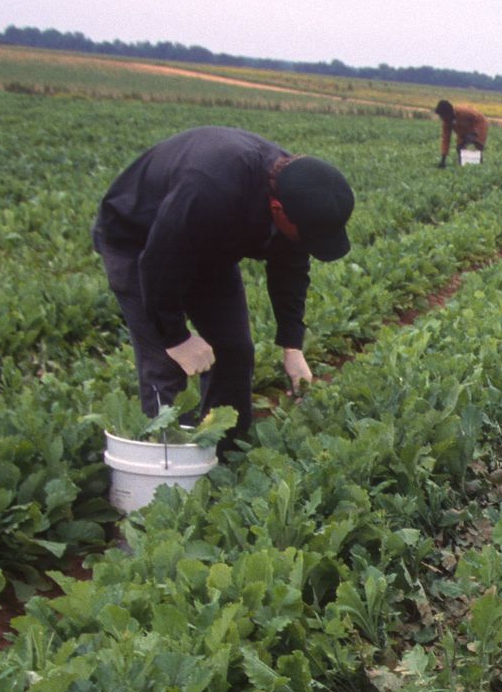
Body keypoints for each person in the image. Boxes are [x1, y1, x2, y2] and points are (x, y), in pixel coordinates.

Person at [94, 126, 354, 450]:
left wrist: (292, 345)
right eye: (308, 237)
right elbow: (158, 262)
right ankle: (172, 468)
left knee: (234, 351)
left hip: (209, 245)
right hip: (138, 241)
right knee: (166, 363)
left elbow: (290, 268)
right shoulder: (210, 187)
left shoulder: (298, 194)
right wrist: (176, 337)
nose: (307, 244)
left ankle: (226, 455)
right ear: (277, 209)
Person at [436, 100, 489, 167]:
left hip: (479, 124)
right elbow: (446, 139)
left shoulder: (463, 111)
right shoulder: (446, 122)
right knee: (460, 147)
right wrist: (443, 160)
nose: (441, 118)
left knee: (477, 147)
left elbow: (478, 118)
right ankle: (463, 165)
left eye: (442, 116)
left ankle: (478, 166)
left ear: (448, 113)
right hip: (463, 130)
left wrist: (474, 134)